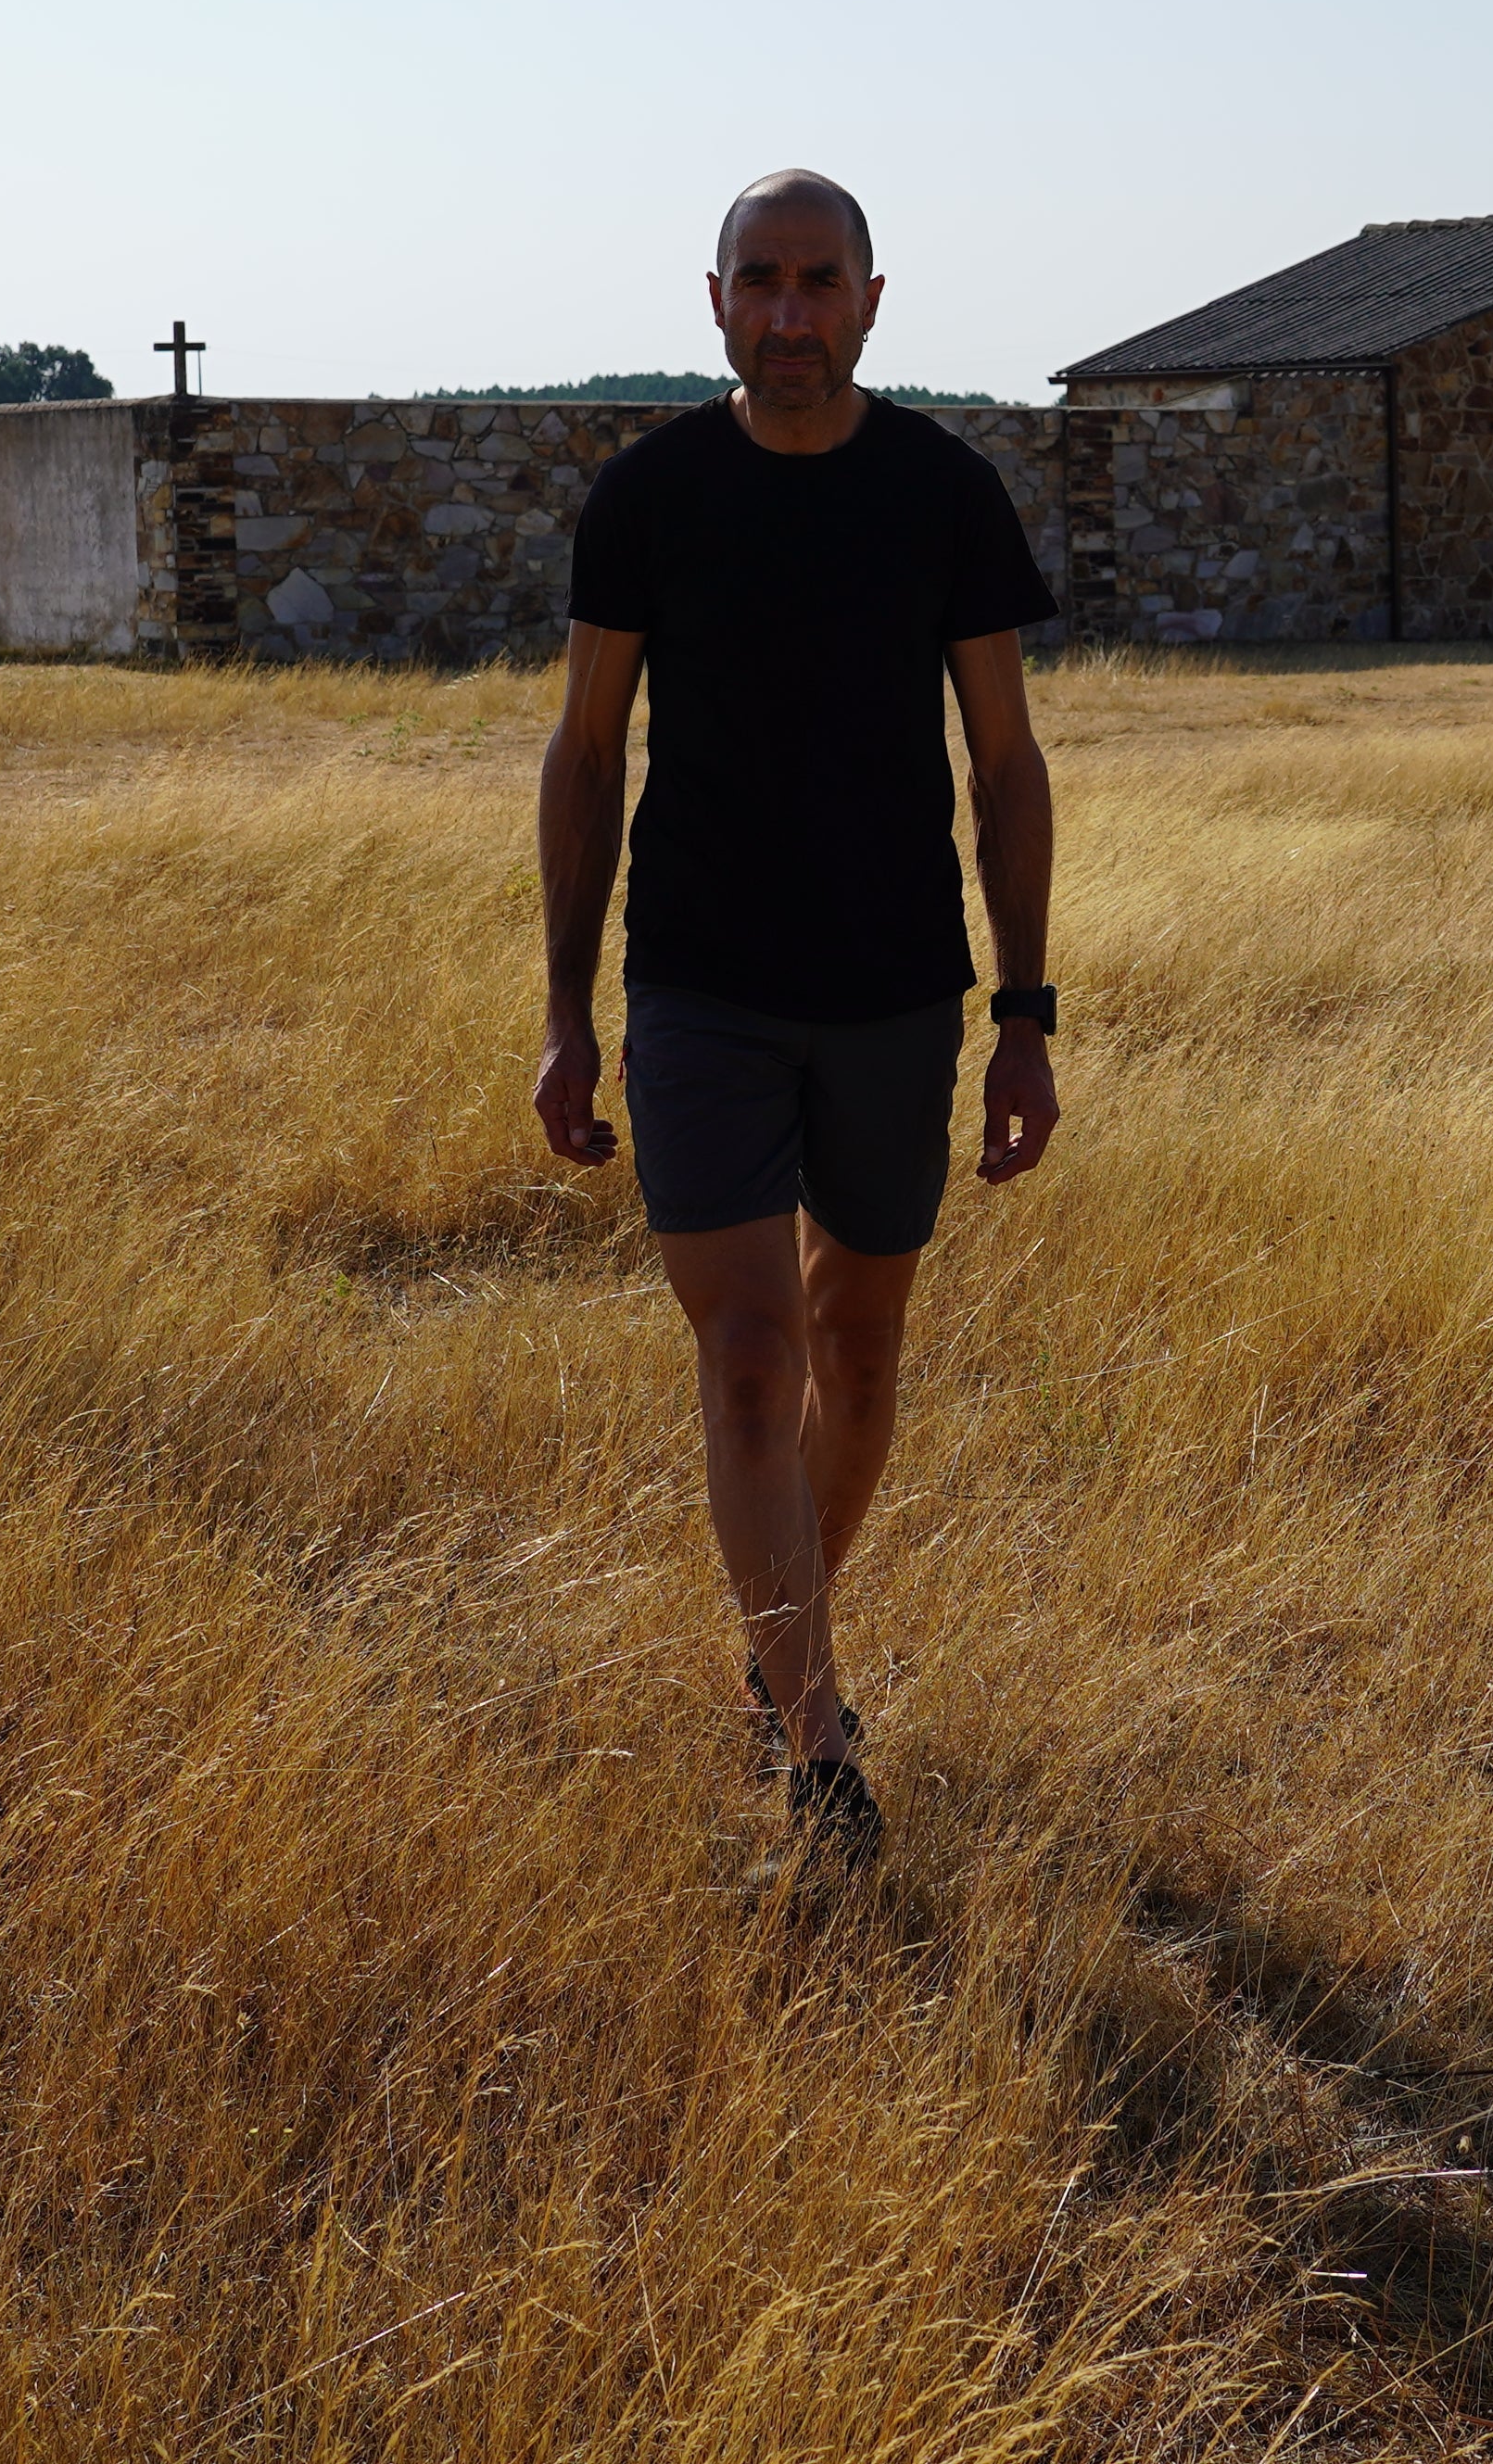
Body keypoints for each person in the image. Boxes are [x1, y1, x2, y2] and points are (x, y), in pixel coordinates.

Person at [534, 169, 1059, 1872]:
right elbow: (587, 751)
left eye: (818, 281)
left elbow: (1005, 762)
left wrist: (1025, 1014)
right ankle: (818, 1732)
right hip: (701, 989)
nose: (788, 311)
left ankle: (777, 1662)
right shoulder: (652, 498)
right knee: (752, 1361)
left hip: (901, 991)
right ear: (714, 300)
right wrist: (567, 1007)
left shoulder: (945, 496)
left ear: (872, 300)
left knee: (858, 1354)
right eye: (759, 280)